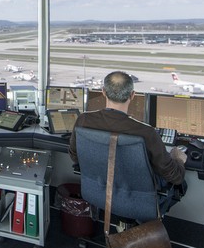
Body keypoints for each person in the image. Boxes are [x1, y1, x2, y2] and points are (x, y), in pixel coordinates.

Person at [68, 71, 187, 213]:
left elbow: (75, 157)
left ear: (103, 92)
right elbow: (176, 176)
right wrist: (179, 159)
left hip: (97, 193)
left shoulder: (83, 120)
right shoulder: (146, 132)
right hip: (139, 201)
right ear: (132, 95)